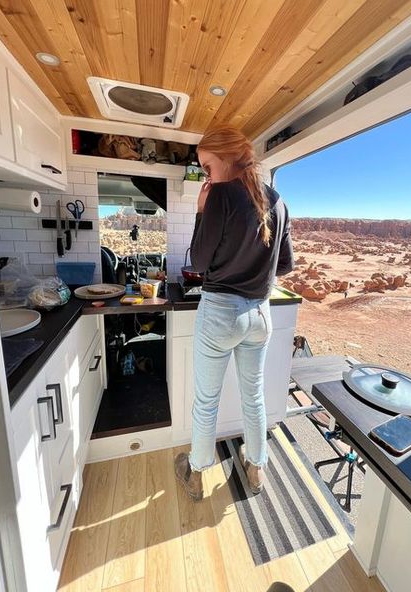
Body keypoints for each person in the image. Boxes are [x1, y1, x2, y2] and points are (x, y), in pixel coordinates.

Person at [174, 125, 294, 501]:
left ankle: (196, 472)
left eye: (207, 166)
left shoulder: (220, 197)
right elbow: (285, 265)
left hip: (221, 313)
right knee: (253, 397)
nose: (207, 176)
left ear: (225, 158)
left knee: (206, 401)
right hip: (260, 315)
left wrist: (200, 211)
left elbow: (198, 261)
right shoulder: (279, 202)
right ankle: (256, 466)